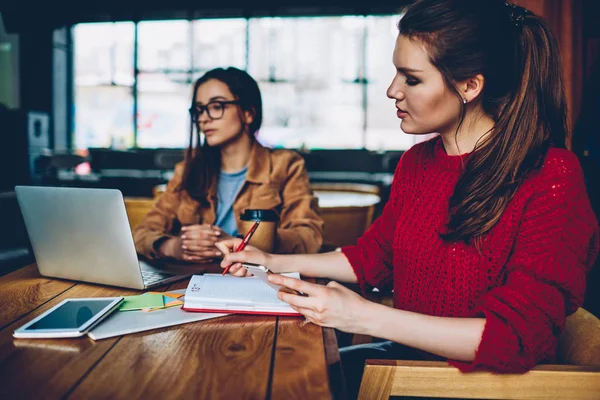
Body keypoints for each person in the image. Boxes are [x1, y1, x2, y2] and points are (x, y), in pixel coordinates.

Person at [216, 0, 600, 397]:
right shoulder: (418, 162)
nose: (391, 90)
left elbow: (519, 337)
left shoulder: (551, 175)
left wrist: (365, 316)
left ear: (470, 86)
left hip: (471, 386)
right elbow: (374, 258)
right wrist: (270, 260)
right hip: (406, 359)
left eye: (411, 79)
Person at [133, 67, 323, 263]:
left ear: (248, 113)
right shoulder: (187, 171)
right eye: (199, 110)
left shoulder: (285, 165)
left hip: (257, 281)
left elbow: (308, 237)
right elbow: (142, 233)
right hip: (193, 281)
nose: (203, 118)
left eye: (216, 106)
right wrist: (173, 246)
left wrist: (239, 244)